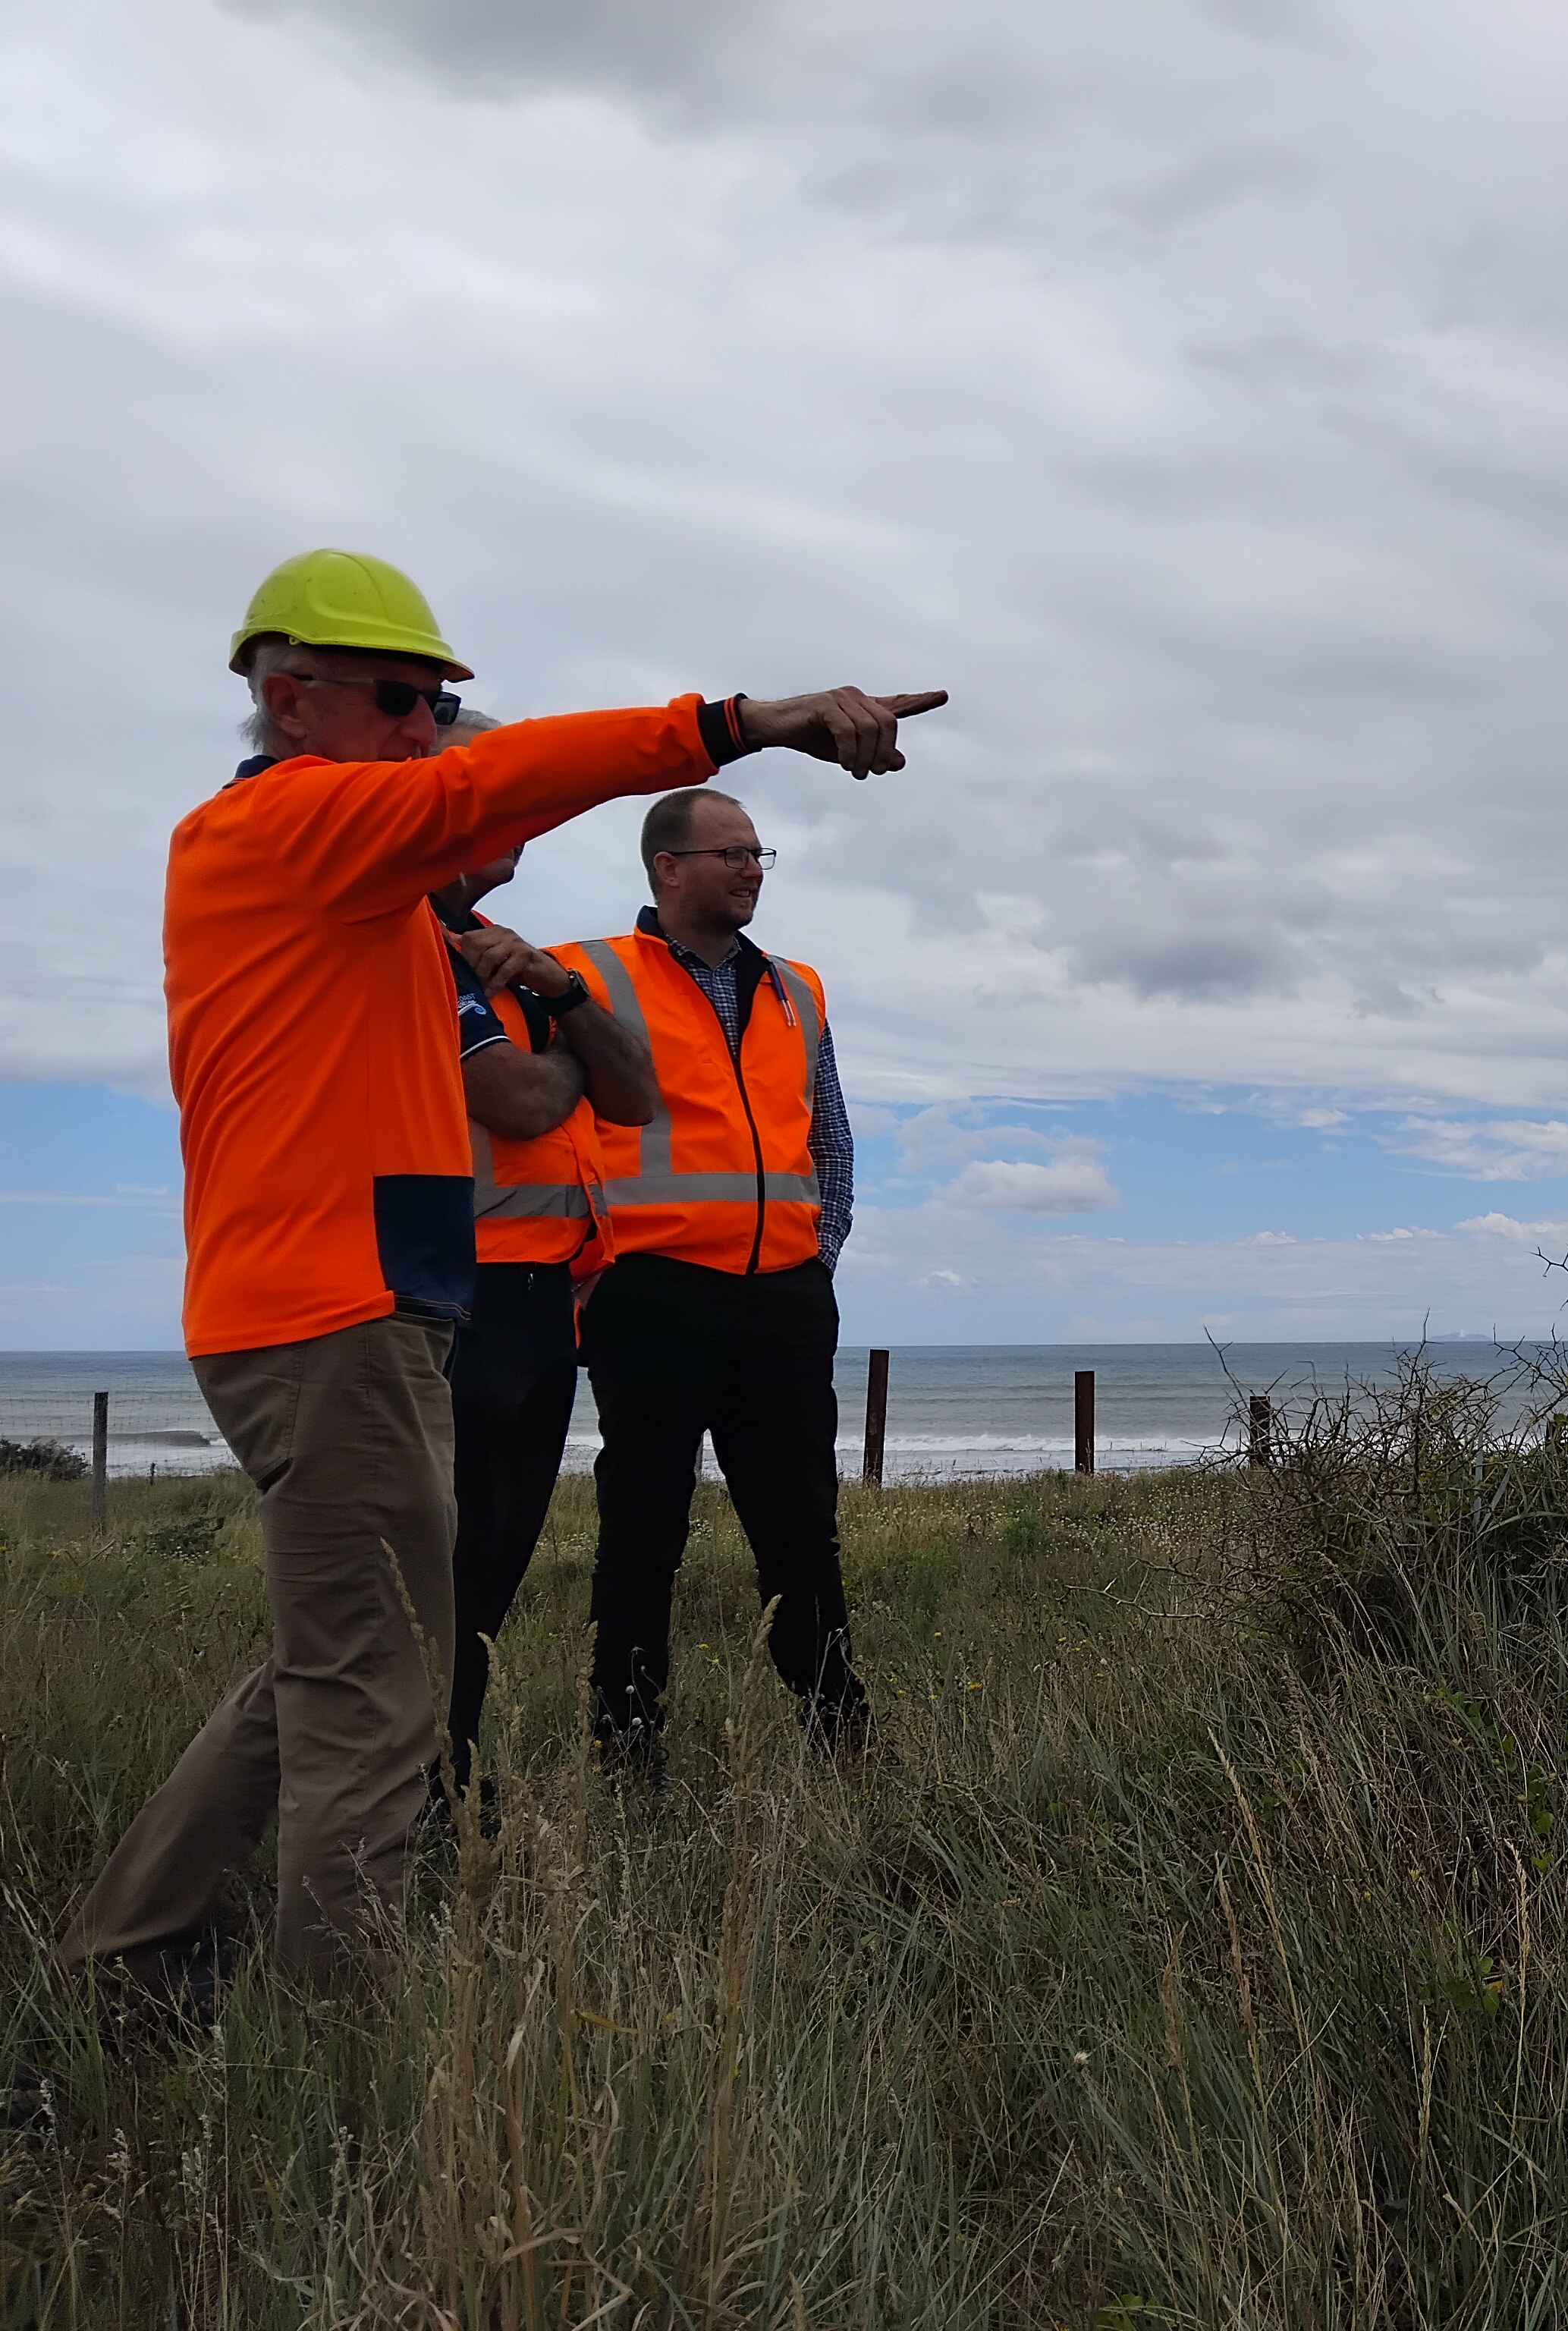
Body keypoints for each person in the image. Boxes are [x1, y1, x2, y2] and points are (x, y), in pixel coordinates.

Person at [56, 546, 943, 1999]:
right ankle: (344, 2041)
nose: (427, 732)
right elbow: (491, 792)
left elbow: (571, 1084)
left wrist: (531, 979)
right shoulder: (282, 828)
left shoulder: (383, 910)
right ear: (289, 702)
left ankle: (134, 1957)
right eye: (402, 702)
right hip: (334, 1317)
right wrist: (747, 719)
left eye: (439, 705)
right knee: (381, 1692)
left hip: (381, 1313)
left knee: (334, 1662)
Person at [557, 787, 866, 1774]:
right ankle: (627, 1746)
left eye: (759, 853)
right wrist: (595, 1269)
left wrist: (819, 1258)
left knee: (802, 1534)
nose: (752, 868)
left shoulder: (798, 988)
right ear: (667, 868)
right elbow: (558, 1130)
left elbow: (828, 1134)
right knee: (644, 1530)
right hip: (651, 1294)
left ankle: (840, 1736)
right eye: (731, 853)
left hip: (781, 1299)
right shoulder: (585, 976)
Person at [432, 710, 660, 1816]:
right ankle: (426, 1783)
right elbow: (525, 1103)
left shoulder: (511, 959)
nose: (518, 818)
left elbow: (636, 1095)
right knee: (441, 1571)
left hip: (541, 1304)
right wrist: (569, 1054)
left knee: (492, 1575)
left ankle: (452, 1771)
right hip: (451, 1298)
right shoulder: (418, 943)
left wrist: (564, 998)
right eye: (494, 792)